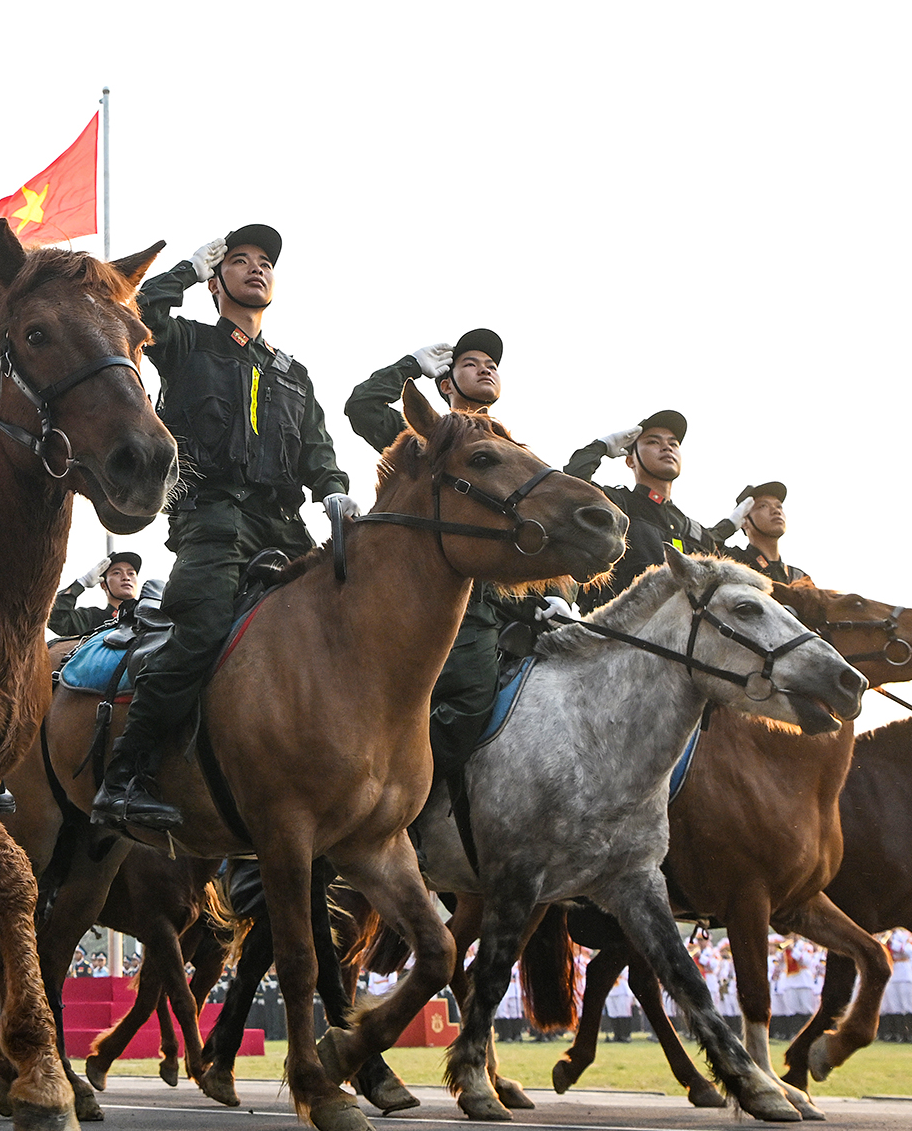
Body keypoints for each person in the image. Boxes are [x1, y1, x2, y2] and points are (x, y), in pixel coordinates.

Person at [89, 225, 350, 831]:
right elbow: (141, 310)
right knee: (201, 628)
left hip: (282, 527)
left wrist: (335, 490)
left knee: (346, 618)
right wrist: (186, 265)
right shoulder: (185, 341)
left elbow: (316, 447)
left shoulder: (292, 372)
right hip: (211, 518)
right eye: (239, 261)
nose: (256, 268)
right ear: (216, 282)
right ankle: (125, 777)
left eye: (265, 262)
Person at [345, 328, 526, 792]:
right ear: (445, 384)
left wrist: (549, 598)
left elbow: (534, 530)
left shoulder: (517, 455)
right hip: (416, 603)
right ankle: (389, 813)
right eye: (470, 362)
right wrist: (409, 366)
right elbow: (362, 407)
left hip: (485, 607)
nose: (486, 367)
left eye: (492, 363)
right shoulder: (424, 441)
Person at [565, 411, 736, 608]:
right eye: (653, 442)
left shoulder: (693, 530)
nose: (666, 447)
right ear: (630, 460)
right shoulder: (618, 504)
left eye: (674, 444)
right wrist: (601, 446)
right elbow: (572, 486)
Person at [726, 482, 815, 586]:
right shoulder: (733, 561)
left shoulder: (798, 577)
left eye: (779, 506)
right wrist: (728, 526)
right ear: (744, 521)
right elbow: (703, 548)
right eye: (763, 506)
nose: (776, 511)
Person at [50, 552, 143, 639]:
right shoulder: (92, 618)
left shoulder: (150, 615)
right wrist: (82, 583)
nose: (126, 578)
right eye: (117, 573)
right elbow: (54, 617)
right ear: (104, 585)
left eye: (131, 573)